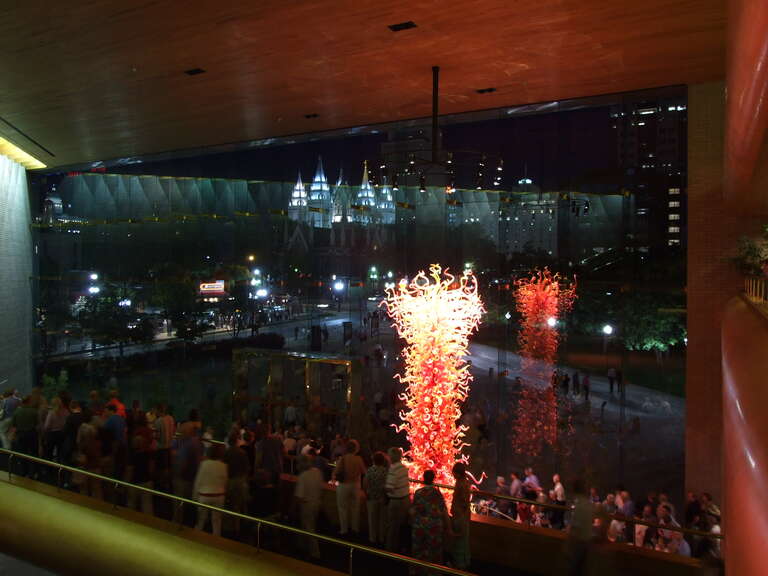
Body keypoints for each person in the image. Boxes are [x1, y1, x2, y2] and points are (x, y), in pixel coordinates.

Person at [410, 469, 451, 571]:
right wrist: (449, 527)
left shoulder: (418, 492)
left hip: (420, 525)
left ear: (423, 479)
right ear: (434, 479)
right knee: (434, 552)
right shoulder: (437, 494)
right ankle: (433, 572)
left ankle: (416, 570)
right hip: (434, 527)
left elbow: (413, 510)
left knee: (418, 549)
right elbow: (444, 511)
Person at [333, 438, 366, 537]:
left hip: (343, 485)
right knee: (355, 508)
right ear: (356, 449)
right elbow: (364, 472)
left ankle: (344, 529)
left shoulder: (343, 459)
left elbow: (336, 472)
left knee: (343, 508)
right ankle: (354, 529)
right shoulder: (359, 459)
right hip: (355, 485)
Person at [194, 443, 228, 536]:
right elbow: (225, 481)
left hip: (204, 495)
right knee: (217, 521)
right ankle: (216, 540)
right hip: (219, 495)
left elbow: (198, 480)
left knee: (201, 520)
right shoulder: (223, 466)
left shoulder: (204, 464)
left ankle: (197, 537)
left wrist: (195, 496)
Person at [295, 452, 324, 558]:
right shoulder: (317, 472)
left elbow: (299, 496)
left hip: (306, 505)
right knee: (308, 526)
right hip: (316, 503)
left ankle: (315, 553)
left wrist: (294, 508)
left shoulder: (303, 476)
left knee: (309, 529)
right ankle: (301, 546)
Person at [127, 412, 155, 515]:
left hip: (135, 480)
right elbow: (151, 466)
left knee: (131, 504)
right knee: (147, 505)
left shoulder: (132, 455)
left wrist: (127, 481)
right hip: (146, 479)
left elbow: (130, 469)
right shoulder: (149, 453)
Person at [385, 447, 411, 552]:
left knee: (392, 526)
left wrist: (384, 490)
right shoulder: (404, 468)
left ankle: (390, 549)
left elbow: (390, 487)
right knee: (403, 525)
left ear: (391, 457)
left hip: (396, 502)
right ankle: (402, 547)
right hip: (406, 500)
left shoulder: (393, 469)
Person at [224, 430, 250, 534]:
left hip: (229, 481)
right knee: (239, 505)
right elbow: (247, 469)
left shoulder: (226, 453)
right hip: (240, 481)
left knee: (229, 504)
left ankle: (229, 528)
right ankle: (238, 528)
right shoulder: (242, 453)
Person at [364, 451, 390, 545]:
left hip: (371, 498)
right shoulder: (386, 471)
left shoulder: (369, 470)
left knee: (372, 519)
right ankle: (381, 538)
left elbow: (365, 483)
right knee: (382, 520)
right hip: (382, 498)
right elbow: (388, 485)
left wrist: (367, 493)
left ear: (373, 460)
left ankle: (372, 539)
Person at [450, 462, 472, 570]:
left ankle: (458, 565)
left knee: (459, 540)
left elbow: (463, 501)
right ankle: (465, 561)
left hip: (460, 517)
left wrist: (458, 512)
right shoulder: (466, 482)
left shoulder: (460, 484)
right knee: (464, 539)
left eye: (453, 472)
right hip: (464, 516)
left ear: (457, 473)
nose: (452, 475)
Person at [153, 404, 175, 491]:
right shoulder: (171, 418)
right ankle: (168, 485)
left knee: (161, 469)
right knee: (168, 467)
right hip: (170, 447)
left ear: (159, 411)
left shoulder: (158, 421)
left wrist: (153, 435)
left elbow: (157, 436)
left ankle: (161, 487)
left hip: (161, 448)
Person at [43, 396, 70, 462]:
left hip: (52, 434)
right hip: (62, 434)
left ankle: (50, 469)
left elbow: (47, 426)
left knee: (49, 453)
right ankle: (59, 468)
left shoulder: (51, 413)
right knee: (60, 453)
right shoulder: (66, 412)